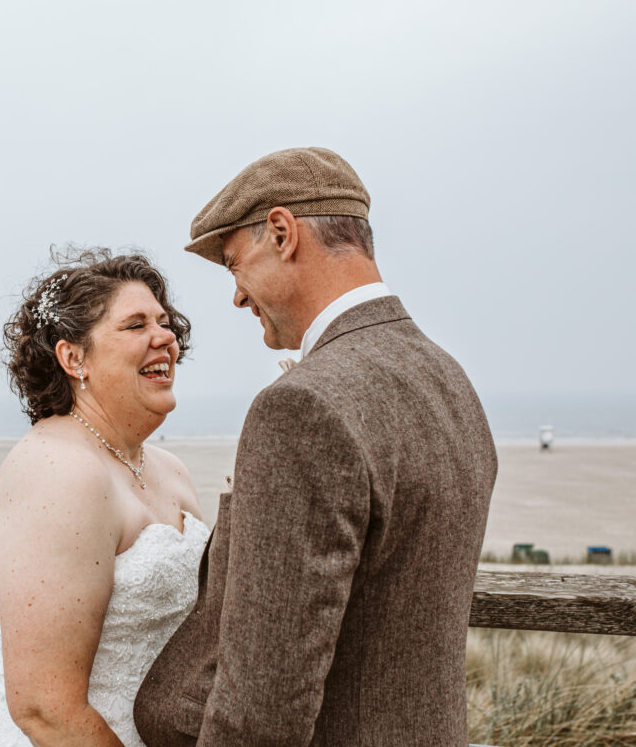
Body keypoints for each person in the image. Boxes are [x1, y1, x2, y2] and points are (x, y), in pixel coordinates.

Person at [134, 148, 498, 746]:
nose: (236, 297)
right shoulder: (449, 379)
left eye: (233, 265)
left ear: (282, 232)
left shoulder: (301, 407)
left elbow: (263, 709)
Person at [0, 249, 210, 747]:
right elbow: (45, 708)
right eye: (135, 325)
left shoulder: (170, 470)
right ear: (74, 359)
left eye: (164, 322)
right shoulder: (56, 471)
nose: (165, 337)